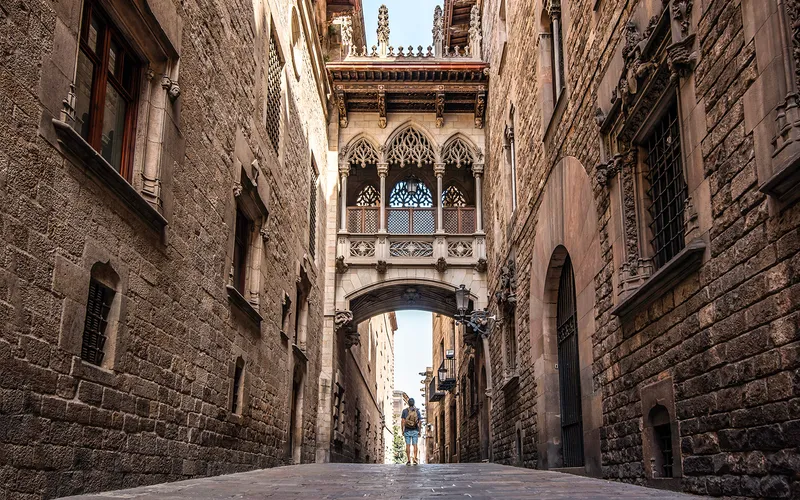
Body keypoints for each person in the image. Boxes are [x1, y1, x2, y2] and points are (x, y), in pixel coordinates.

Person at [401, 398, 421, 465]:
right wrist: (419, 431)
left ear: (408, 403)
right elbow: (419, 422)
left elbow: (403, 421)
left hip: (407, 430)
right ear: (414, 403)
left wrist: (402, 430)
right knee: (415, 445)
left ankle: (409, 460)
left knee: (408, 445)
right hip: (415, 430)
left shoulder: (404, 411)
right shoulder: (417, 411)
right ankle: (415, 459)